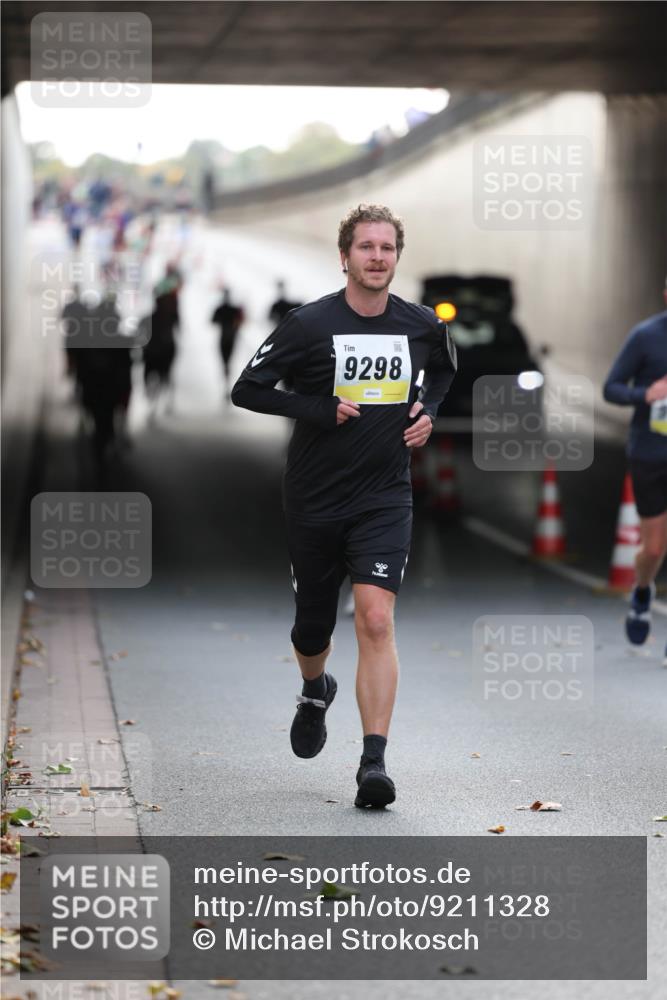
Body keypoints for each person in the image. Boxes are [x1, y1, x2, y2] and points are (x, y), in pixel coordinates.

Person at [232, 204, 457, 808]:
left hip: (384, 496)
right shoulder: (309, 325)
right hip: (314, 496)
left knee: (376, 620)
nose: (377, 257)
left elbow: (444, 367)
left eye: (387, 248)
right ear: (345, 256)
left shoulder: (419, 326)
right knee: (313, 627)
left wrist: (428, 412)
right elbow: (246, 389)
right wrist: (316, 408)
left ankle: (374, 764)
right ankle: (314, 688)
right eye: (366, 247)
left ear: (396, 257)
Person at [603, 284, 667, 665]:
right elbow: (610, 387)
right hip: (652, 453)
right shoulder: (646, 336)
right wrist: (645, 394)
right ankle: (643, 589)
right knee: (655, 548)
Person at [211, 288, 245, 399]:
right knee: (227, 362)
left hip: (223, 338)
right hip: (231, 338)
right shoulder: (234, 309)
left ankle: (226, 384)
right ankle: (227, 384)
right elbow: (241, 320)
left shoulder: (220, 308)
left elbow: (213, 321)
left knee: (225, 362)